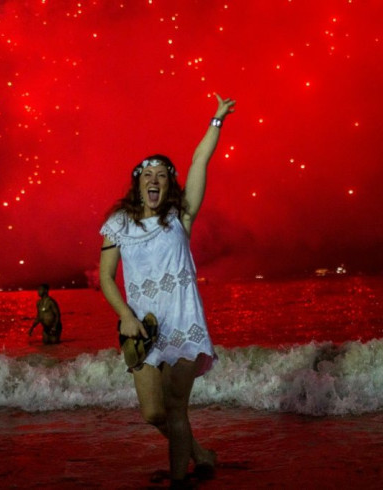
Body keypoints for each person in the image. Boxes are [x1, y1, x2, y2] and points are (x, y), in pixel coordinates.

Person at [99, 94, 235, 488]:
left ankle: (180, 481)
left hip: (182, 323)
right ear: (138, 183)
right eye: (148, 174)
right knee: (153, 413)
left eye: (162, 175)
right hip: (142, 329)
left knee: (176, 409)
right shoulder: (118, 224)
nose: (155, 180)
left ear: (168, 184)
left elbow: (199, 162)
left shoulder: (180, 219)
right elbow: (107, 276)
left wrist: (216, 120)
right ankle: (199, 453)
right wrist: (125, 315)